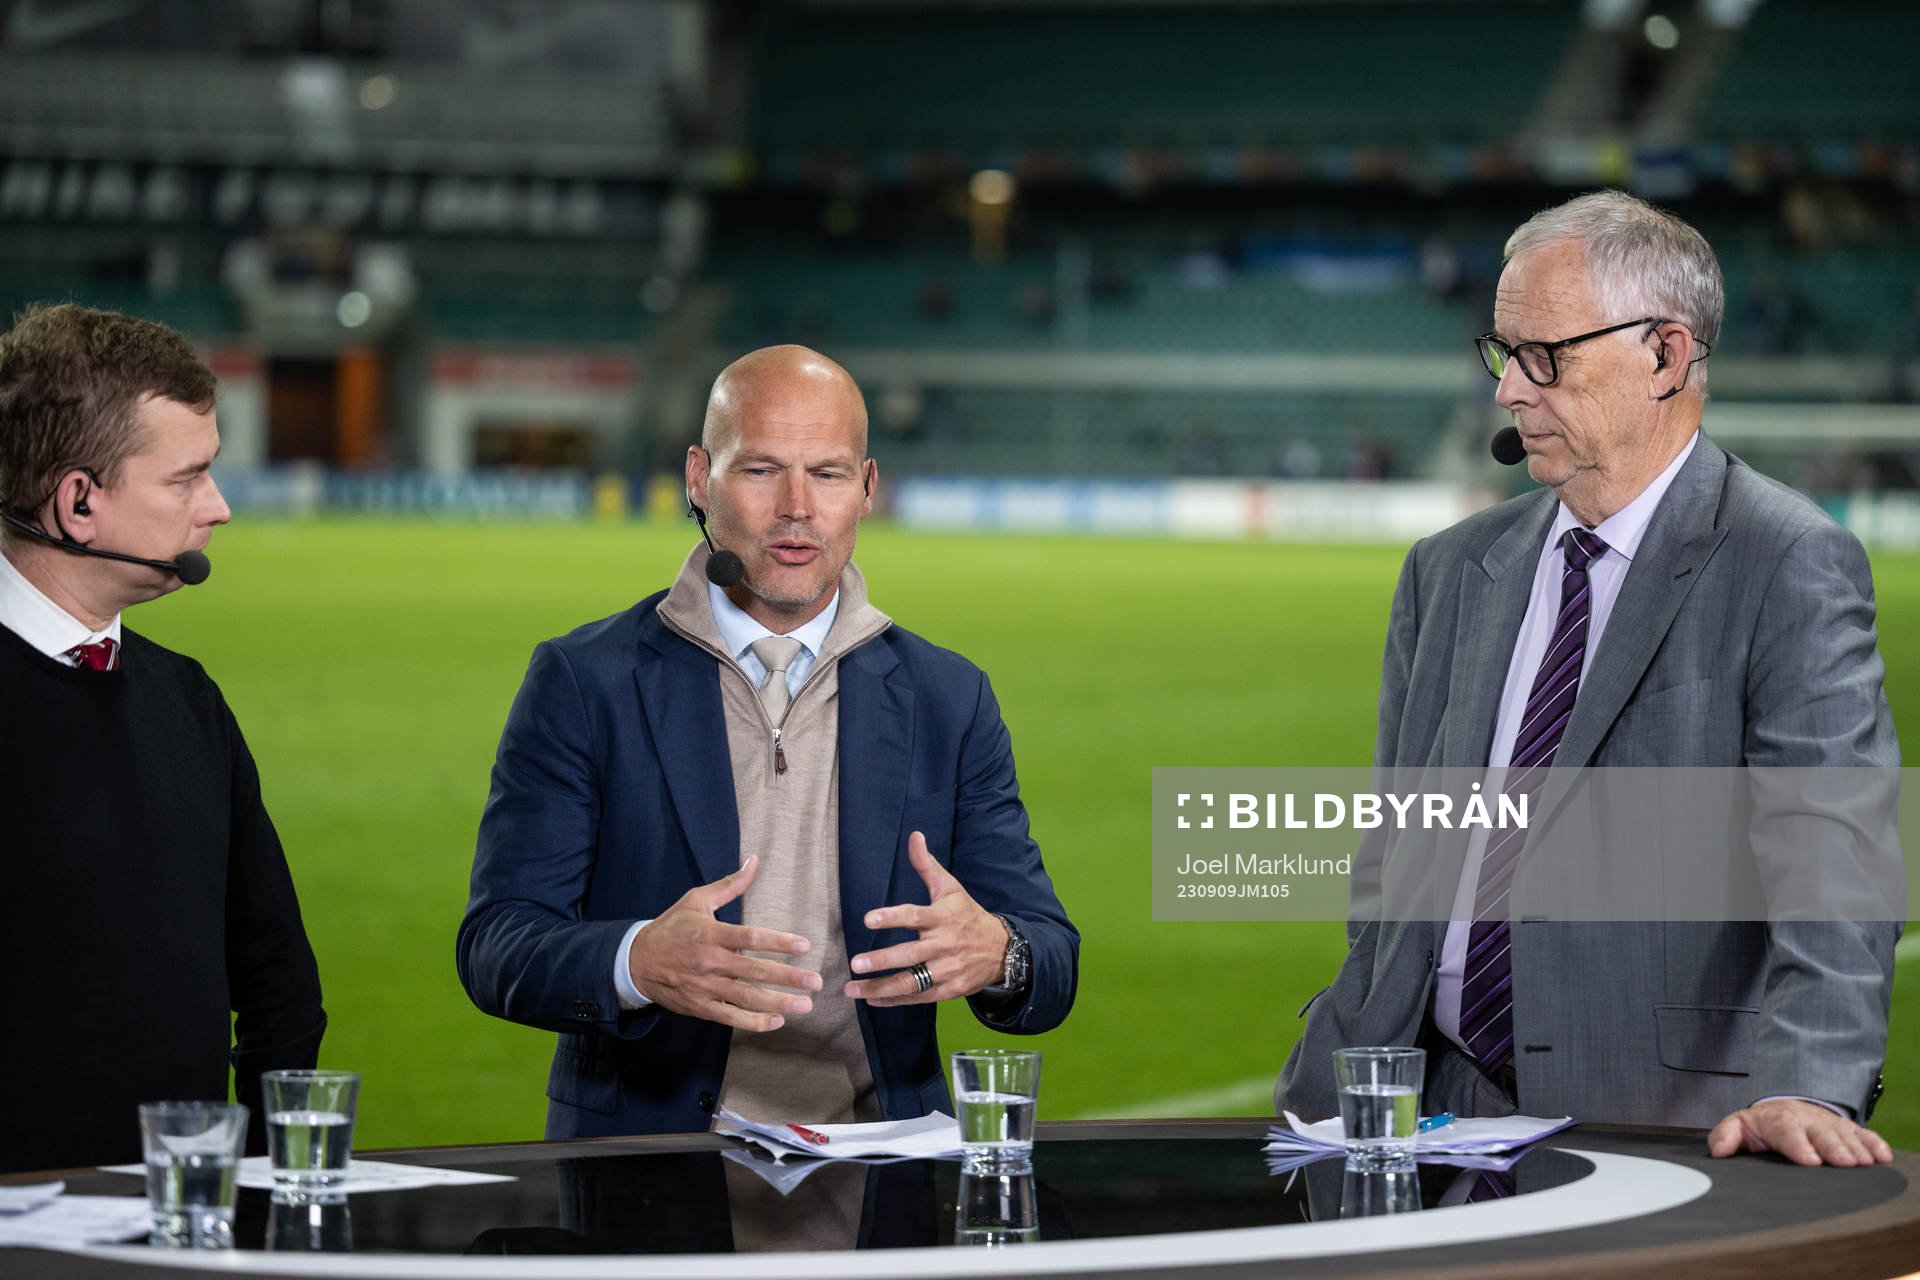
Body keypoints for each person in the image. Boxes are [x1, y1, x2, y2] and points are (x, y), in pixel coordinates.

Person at [1276, 192, 1898, 1168]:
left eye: (1545, 356)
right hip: (1409, 1110)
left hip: (1652, 1119)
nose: (1508, 393)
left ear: (1666, 354)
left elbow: (1836, 850)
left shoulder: (1786, 561)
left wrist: (1806, 1079)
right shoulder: (1447, 569)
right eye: (1501, 353)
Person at [458, 344, 1077, 1138]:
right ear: (697, 478)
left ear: (867, 489)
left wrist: (998, 953)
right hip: (648, 1176)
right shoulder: (585, 681)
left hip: (881, 1174)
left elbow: (1050, 959)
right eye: (759, 470)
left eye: (826, 473)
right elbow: (496, 945)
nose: (796, 506)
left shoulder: (948, 697)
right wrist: (636, 960)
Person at [0, 302, 326, 1174]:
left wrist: (262, 1177)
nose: (216, 509)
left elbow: (279, 983)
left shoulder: (186, 699)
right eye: (186, 479)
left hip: (185, 1230)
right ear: (79, 503)